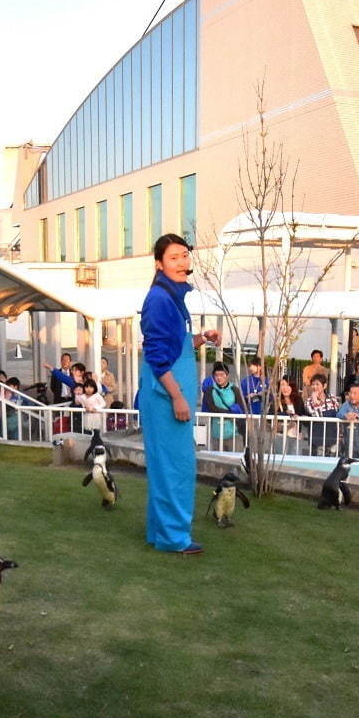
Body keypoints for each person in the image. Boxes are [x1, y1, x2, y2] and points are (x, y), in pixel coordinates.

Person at [139, 233, 219, 555]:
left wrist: (200, 338)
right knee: (176, 467)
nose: (182, 262)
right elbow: (157, 356)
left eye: (185, 256)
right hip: (165, 397)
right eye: (174, 257)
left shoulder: (171, 297)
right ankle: (174, 538)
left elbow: (173, 344)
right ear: (160, 264)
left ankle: (160, 533)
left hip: (167, 394)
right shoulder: (159, 299)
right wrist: (177, 396)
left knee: (166, 466)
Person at [201, 362, 246, 447]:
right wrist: (230, 413)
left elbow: (240, 406)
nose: (219, 377)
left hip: (234, 433)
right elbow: (212, 408)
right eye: (216, 375)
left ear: (227, 375)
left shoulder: (235, 390)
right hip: (216, 433)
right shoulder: (210, 390)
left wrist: (227, 414)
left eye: (222, 374)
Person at [304, 374, 341, 455]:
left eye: (317, 384)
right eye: (313, 384)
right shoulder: (309, 401)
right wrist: (315, 400)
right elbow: (317, 416)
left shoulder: (332, 398)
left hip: (332, 436)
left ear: (324, 386)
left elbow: (338, 413)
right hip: (317, 437)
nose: (314, 387)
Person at [271, 375, 308, 451]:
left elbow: (303, 415)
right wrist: (286, 414)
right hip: (280, 435)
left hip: (295, 436)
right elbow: (270, 417)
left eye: (288, 385)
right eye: (282, 385)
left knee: (295, 457)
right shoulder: (276, 400)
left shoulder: (298, 400)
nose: (285, 388)